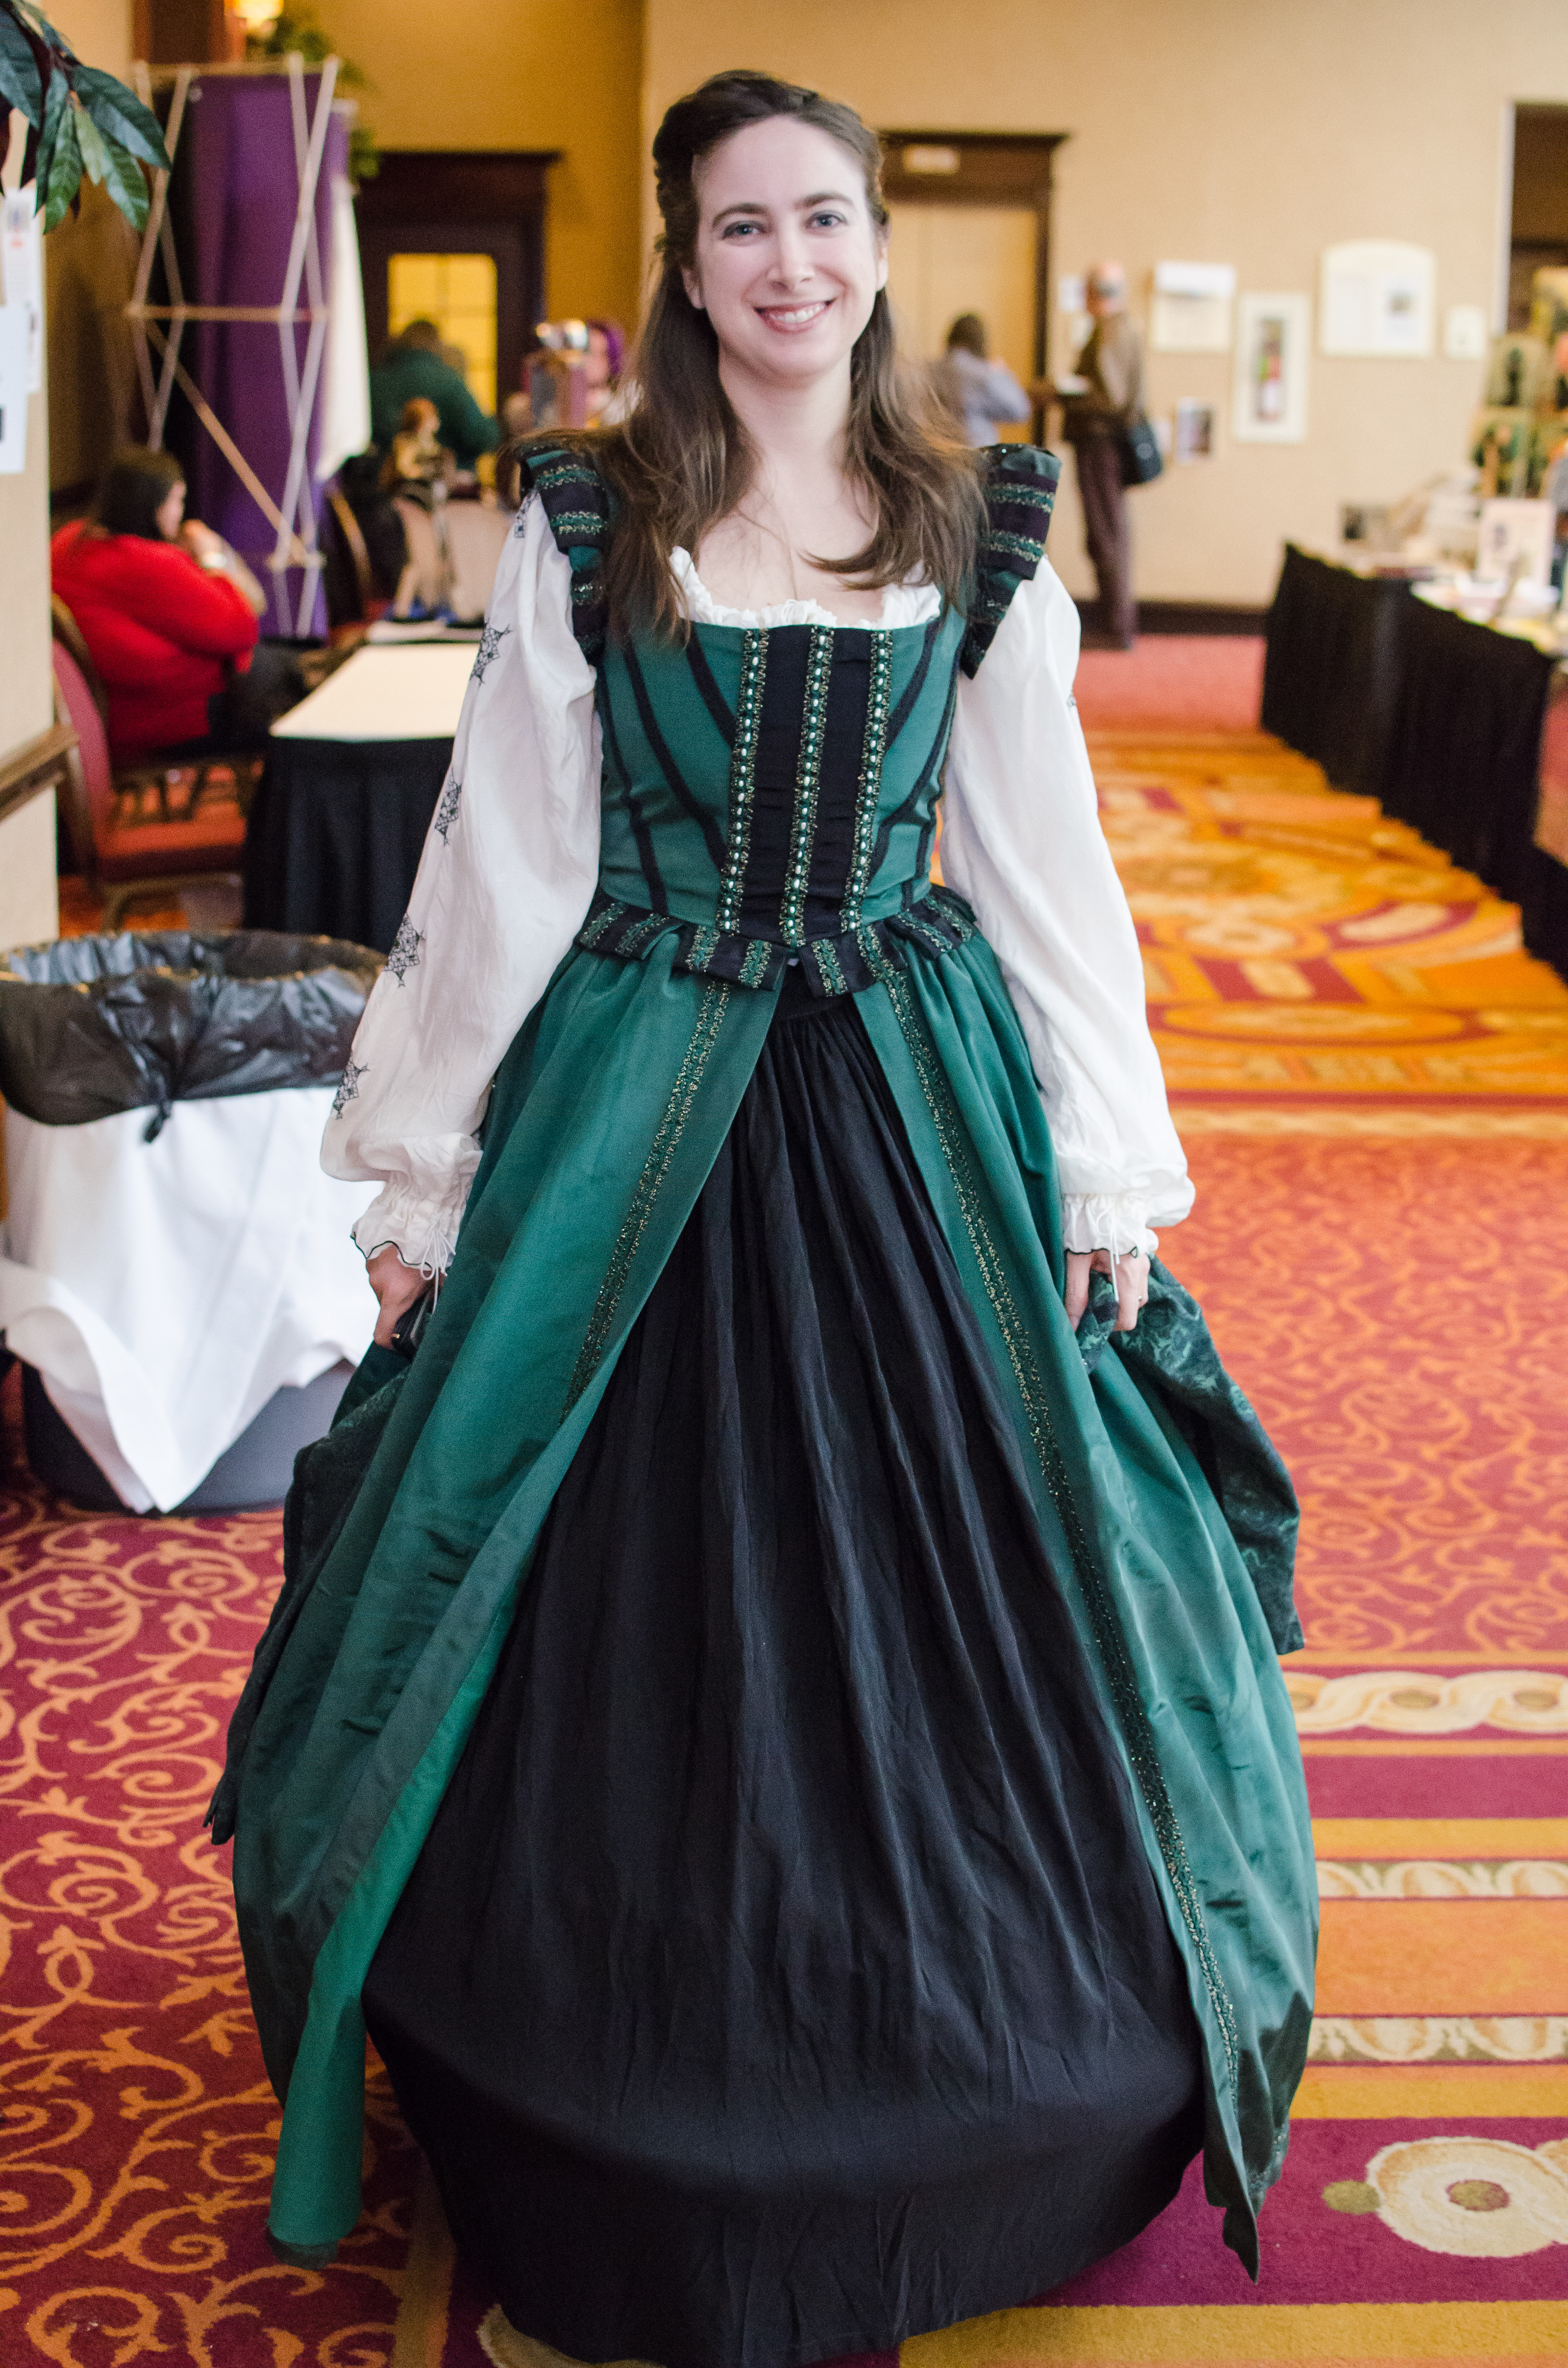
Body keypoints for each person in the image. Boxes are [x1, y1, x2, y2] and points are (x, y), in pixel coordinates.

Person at [217, 69, 1314, 2368]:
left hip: (912, 1091)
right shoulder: (593, 516)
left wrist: (1105, 1159)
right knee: (568, 1549)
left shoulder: (976, 522)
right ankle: (595, 2048)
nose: (790, 263)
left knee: (1004, 1545)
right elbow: (511, 849)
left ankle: (996, 2054)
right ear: (686, 261)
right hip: (637, 1089)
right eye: (742, 227)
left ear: (877, 247)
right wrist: (427, 1163)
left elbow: (1044, 862)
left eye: (824, 218)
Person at [51, 447, 266, 767]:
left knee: (295, 669)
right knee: (303, 696)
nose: (180, 512)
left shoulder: (67, 542)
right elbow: (242, 629)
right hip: (170, 718)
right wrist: (211, 557)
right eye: (177, 501)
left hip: (116, 713)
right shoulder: (147, 561)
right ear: (154, 507)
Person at [1058, 261, 1144, 647]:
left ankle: (1116, 625)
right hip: (1105, 444)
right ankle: (1116, 621)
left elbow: (1111, 396)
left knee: (1106, 533)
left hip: (1100, 444)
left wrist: (1063, 393)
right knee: (1110, 531)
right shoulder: (1121, 328)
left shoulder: (1110, 331)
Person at [369, 319, 498, 470]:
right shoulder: (450, 382)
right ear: (437, 346)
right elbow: (483, 437)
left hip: (382, 478)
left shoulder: (374, 382)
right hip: (447, 478)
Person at [931, 310, 1033, 445]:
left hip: (934, 450)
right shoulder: (984, 375)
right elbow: (1021, 411)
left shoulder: (926, 370)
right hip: (974, 452)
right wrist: (1002, 373)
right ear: (981, 342)